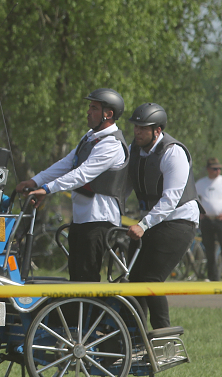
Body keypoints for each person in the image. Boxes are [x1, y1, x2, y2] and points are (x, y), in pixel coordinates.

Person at [16, 89, 129, 282]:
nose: (88, 112)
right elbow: (66, 164)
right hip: (82, 218)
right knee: (76, 278)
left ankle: (87, 313)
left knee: (86, 278)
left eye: (94, 108)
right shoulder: (90, 137)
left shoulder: (111, 144)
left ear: (108, 114)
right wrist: (36, 181)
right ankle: (75, 312)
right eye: (89, 107)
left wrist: (47, 189)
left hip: (99, 219)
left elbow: (82, 174)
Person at [126, 103, 199, 331]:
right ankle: (133, 337)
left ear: (157, 130)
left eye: (143, 128)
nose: (137, 131)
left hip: (178, 220)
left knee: (150, 278)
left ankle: (162, 336)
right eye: (136, 127)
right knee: (132, 280)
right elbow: (126, 184)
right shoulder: (135, 149)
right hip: (150, 221)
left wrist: (143, 225)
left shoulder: (173, 152)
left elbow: (171, 199)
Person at [195, 158, 222, 281]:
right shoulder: (201, 183)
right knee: (209, 248)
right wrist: (198, 213)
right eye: (215, 168)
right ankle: (212, 276)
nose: (218, 171)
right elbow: (193, 199)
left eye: (219, 168)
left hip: (221, 219)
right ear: (208, 169)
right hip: (206, 219)